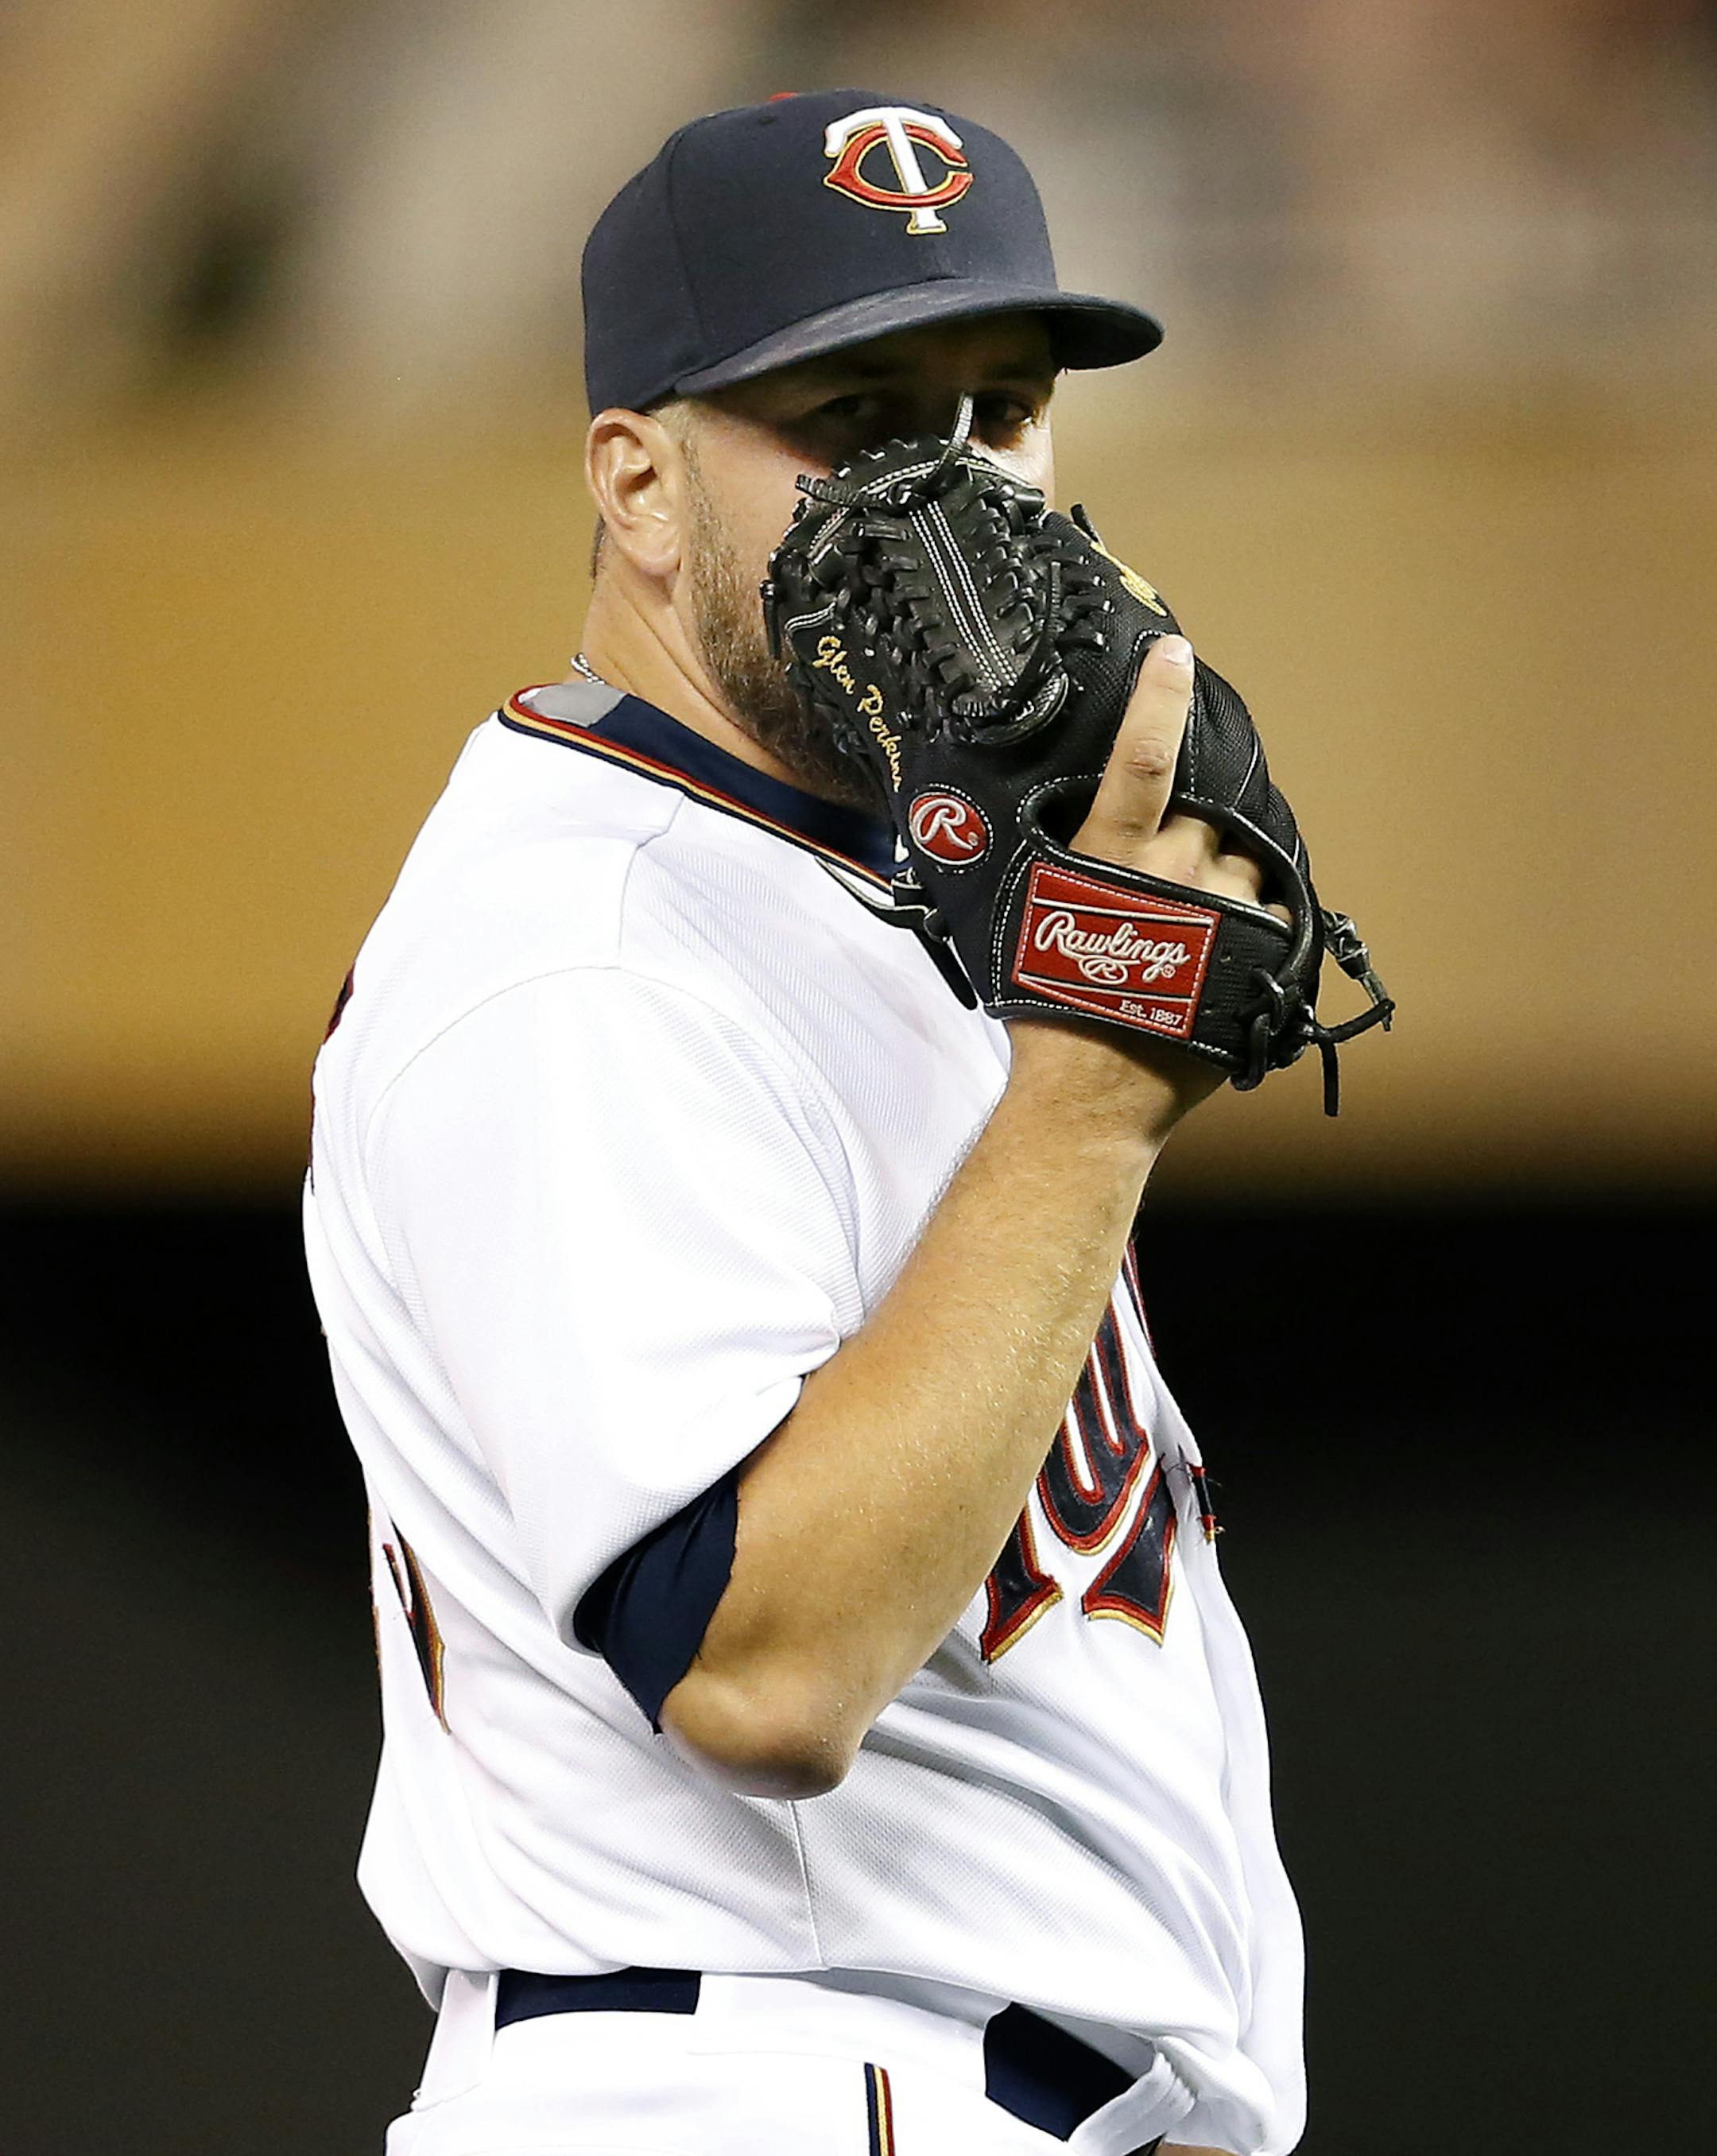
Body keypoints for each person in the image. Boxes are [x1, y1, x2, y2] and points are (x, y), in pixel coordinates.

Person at [305, 89, 1305, 2156]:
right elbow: (755, 1664)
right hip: (750, 2079)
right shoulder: (576, 938)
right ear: (639, 487)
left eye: (1002, 410)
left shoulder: (863, 895)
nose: (954, 494)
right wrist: (1099, 1091)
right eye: (854, 423)